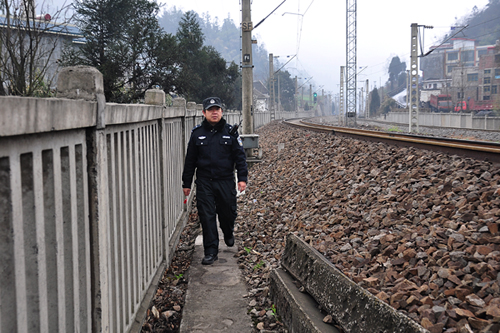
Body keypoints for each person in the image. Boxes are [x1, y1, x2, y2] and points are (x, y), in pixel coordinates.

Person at [182, 97, 248, 265]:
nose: (214, 112)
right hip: (205, 182)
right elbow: (190, 160)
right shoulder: (197, 134)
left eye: (217, 109)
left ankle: (227, 231)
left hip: (225, 181)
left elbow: (240, 158)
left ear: (222, 112)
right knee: (207, 216)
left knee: (228, 212)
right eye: (210, 109)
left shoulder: (231, 132)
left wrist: (242, 179)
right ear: (204, 113)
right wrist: (186, 183)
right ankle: (210, 251)